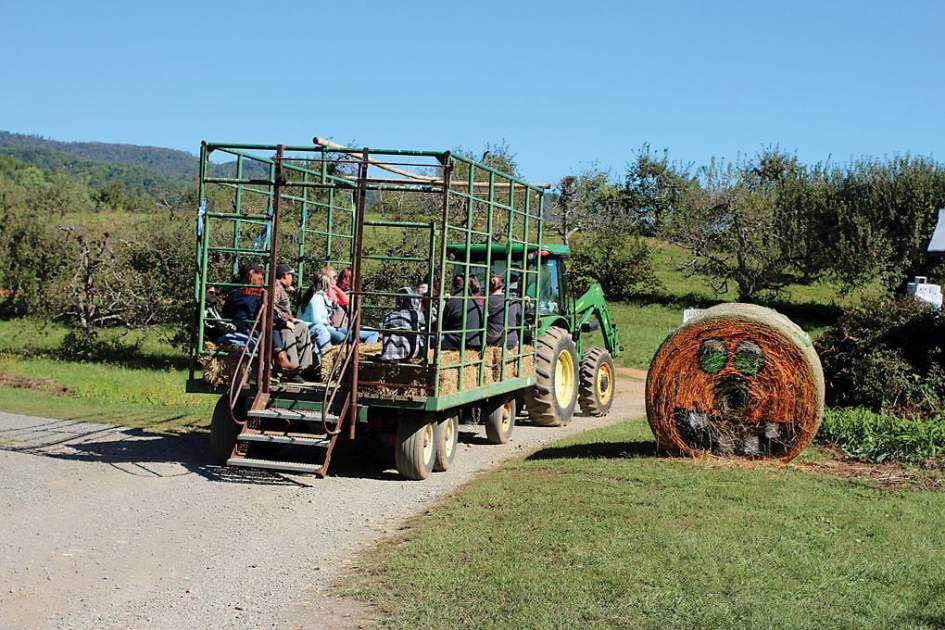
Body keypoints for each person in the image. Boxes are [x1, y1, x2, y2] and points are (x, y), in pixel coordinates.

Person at [222, 263, 297, 372]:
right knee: (272, 326)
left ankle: (279, 360)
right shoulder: (259, 296)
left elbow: (226, 312)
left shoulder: (234, 293)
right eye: (260, 277)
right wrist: (284, 323)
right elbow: (268, 315)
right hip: (249, 329)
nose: (262, 281)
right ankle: (281, 357)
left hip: (237, 327)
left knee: (268, 325)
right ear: (252, 277)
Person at [273, 263, 315, 376]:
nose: (292, 278)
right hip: (278, 325)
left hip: (284, 321)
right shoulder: (276, 287)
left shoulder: (282, 288)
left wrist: (292, 319)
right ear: (285, 275)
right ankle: (292, 368)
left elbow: (281, 308)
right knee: (288, 331)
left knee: (302, 327)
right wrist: (285, 321)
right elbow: (272, 307)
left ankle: (305, 367)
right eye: (291, 275)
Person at [379, 287, 426, 362]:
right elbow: (428, 321)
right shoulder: (416, 314)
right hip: (410, 353)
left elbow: (382, 329)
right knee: (423, 332)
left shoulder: (389, 315)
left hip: (389, 354)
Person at [440, 274, 483, 351]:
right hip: (476, 343)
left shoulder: (452, 301)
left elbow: (442, 325)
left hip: (457, 343)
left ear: (454, 285)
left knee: (430, 338)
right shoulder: (476, 300)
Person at [486, 275, 521, 348]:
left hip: (493, 341)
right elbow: (520, 316)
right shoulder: (512, 300)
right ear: (502, 286)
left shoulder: (486, 301)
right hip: (510, 340)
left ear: (488, 287)